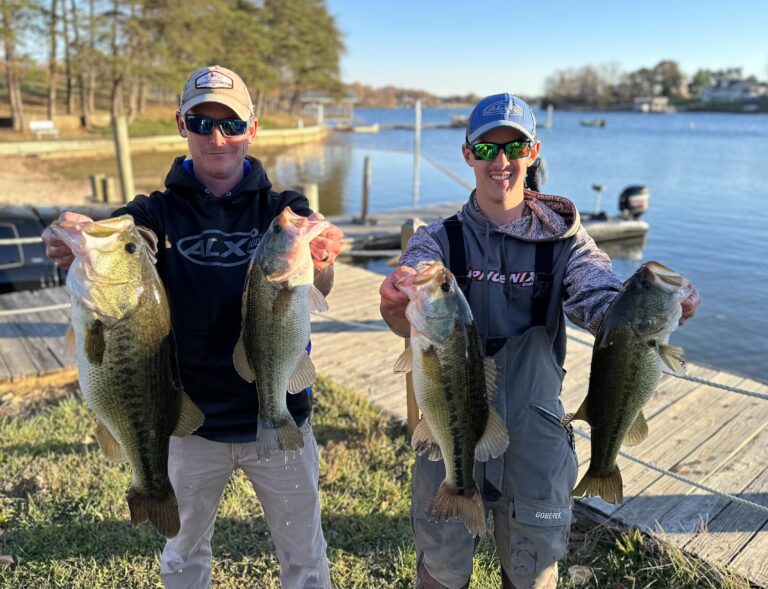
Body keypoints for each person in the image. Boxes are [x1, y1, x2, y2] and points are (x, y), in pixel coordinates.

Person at [379, 93, 700, 589]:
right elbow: (405, 305)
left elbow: (598, 300)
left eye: (515, 147)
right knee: (440, 569)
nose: (501, 162)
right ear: (467, 154)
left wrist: (651, 311)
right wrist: (396, 303)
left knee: (532, 573)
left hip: (536, 434)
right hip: (450, 433)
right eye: (487, 149)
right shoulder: (437, 242)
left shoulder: (568, 243)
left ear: (534, 151)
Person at [42, 65, 343, 589]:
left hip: (279, 414)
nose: (217, 137)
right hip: (186, 423)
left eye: (229, 123)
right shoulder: (153, 213)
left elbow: (320, 283)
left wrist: (321, 260)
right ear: (182, 125)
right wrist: (69, 234)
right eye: (202, 122)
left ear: (252, 127)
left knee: (305, 556)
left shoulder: (283, 211)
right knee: (183, 556)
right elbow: (115, 242)